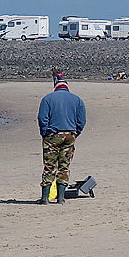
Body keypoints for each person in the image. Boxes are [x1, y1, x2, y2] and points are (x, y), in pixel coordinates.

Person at [37, 71, 86, 204]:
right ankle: (61, 198)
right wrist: (76, 133)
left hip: (52, 135)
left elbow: (42, 118)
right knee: (64, 165)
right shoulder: (77, 100)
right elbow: (81, 120)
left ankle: (45, 198)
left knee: (49, 165)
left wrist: (44, 132)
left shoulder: (48, 98)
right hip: (70, 134)